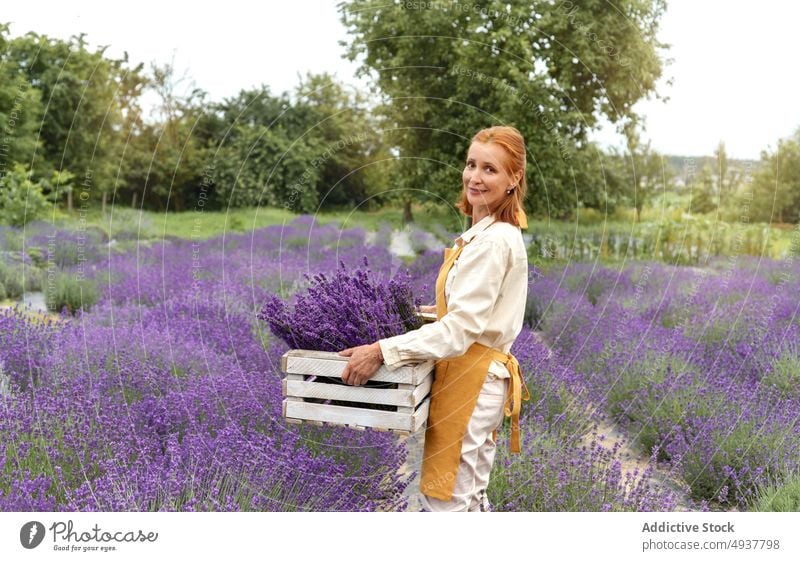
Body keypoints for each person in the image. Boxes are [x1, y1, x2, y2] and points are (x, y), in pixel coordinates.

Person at [339, 125, 530, 512]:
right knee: (470, 499)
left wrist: (381, 350)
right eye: (471, 164)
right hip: (475, 380)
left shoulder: (492, 242)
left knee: (445, 505)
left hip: (470, 382)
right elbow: (472, 313)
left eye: (490, 169)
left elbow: (460, 331)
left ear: (514, 179)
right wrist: (424, 315)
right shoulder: (490, 233)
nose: (475, 177)